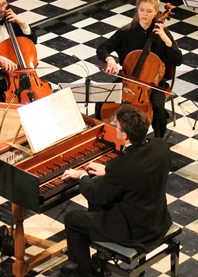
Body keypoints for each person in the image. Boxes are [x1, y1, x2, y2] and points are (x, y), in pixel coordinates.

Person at [60, 105, 172, 277]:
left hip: (135, 233)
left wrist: (82, 176)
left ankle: (84, 272)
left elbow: (96, 195)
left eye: (117, 126)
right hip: (158, 220)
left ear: (125, 135)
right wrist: (108, 171)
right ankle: (102, 256)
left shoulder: (123, 167)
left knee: (73, 219)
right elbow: (138, 174)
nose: (116, 128)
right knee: (100, 206)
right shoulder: (160, 146)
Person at [96, 0, 182, 138]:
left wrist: (166, 40)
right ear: (137, 10)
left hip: (152, 84)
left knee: (158, 108)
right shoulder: (126, 32)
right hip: (128, 80)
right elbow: (102, 48)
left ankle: (158, 141)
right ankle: (103, 135)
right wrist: (110, 59)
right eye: (142, 10)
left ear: (156, 12)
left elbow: (178, 60)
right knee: (101, 100)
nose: (145, 14)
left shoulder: (161, 32)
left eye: (149, 11)